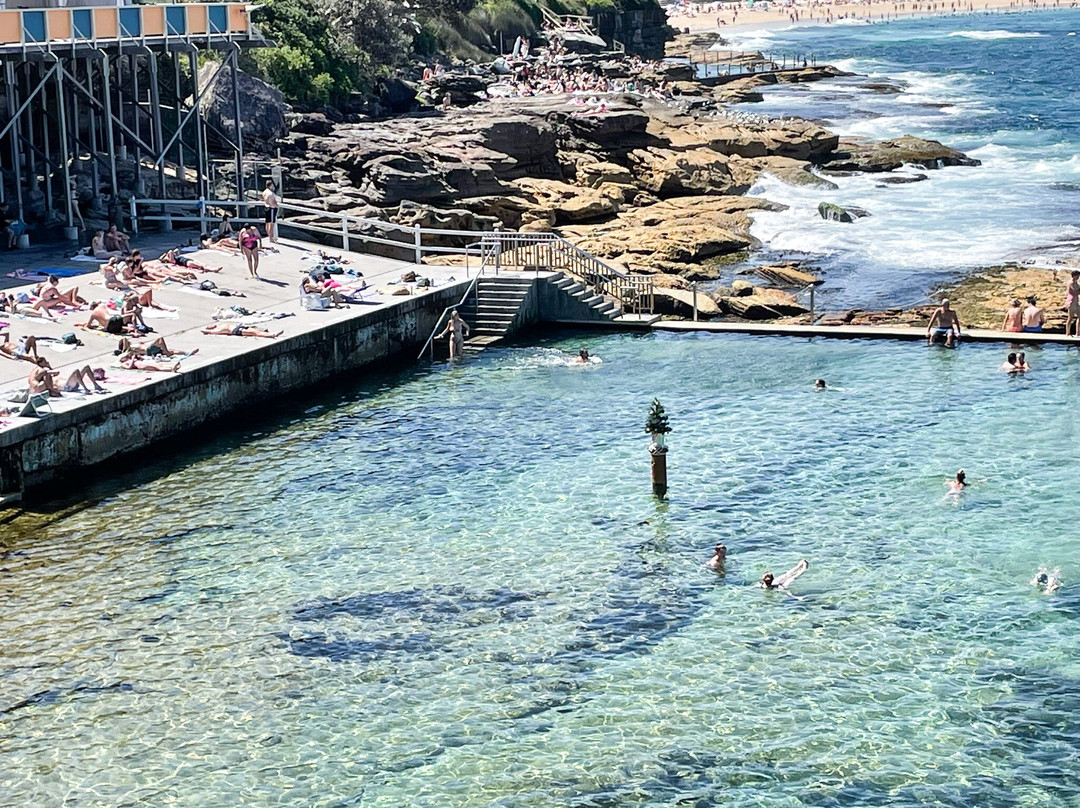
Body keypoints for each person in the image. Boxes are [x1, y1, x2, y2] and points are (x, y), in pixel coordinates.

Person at [201, 323, 282, 338]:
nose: (211, 325)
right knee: (255, 333)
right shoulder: (216, 330)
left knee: (257, 330)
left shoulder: (220, 325)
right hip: (237, 331)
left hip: (240, 327)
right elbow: (204, 331)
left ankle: (270, 333)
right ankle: (273, 335)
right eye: (209, 326)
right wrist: (207, 330)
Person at [1067, 272, 1080, 337]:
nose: (1078, 277)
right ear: (1074, 276)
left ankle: (1078, 333)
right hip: (1071, 301)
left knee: (1079, 317)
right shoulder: (1071, 283)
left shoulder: (1076, 282)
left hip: (1076, 302)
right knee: (1070, 318)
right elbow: (1074, 292)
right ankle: (1068, 333)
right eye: (1077, 276)